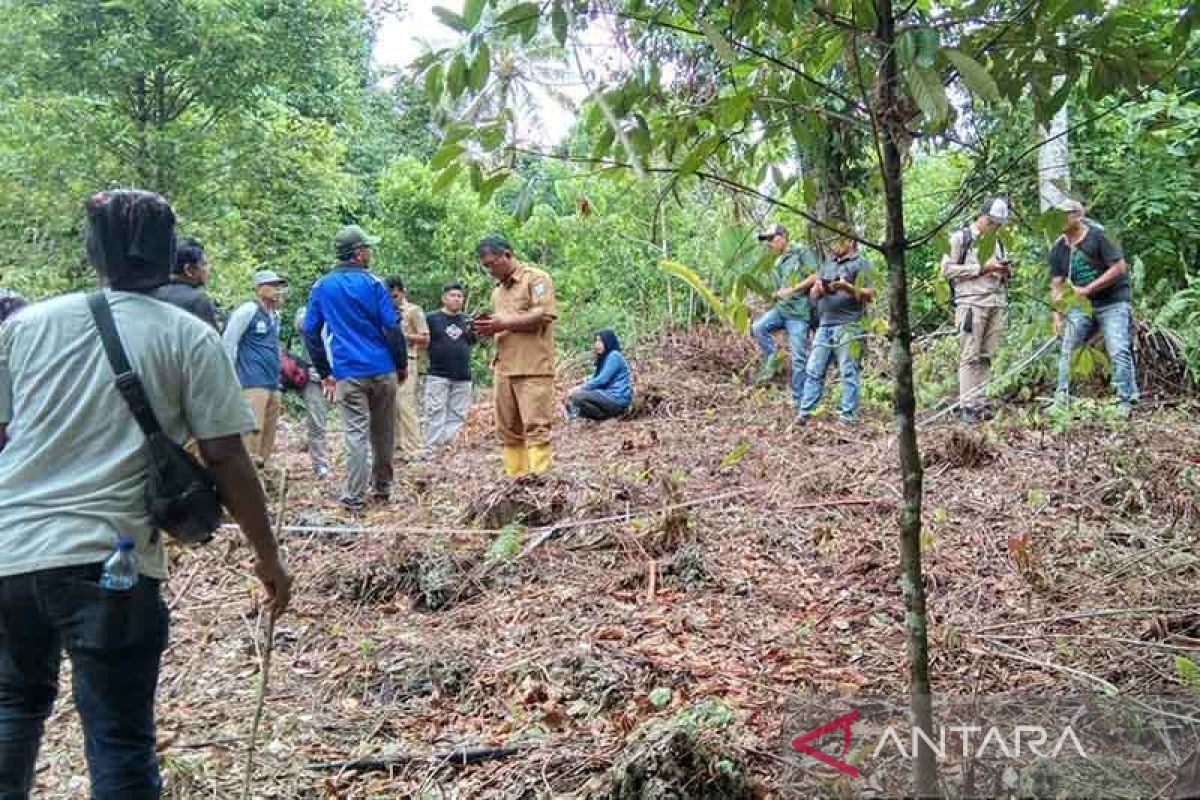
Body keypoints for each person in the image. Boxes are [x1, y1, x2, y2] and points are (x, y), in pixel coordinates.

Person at [0, 189, 290, 799]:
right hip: (114, 566)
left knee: (12, 712)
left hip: (12, 555)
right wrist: (267, 557)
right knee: (120, 740)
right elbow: (227, 455)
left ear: (93, 250)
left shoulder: (25, 328)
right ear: (167, 252)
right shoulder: (188, 336)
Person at [304, 224, 407, 510]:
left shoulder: (322, 286)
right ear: (359, 253)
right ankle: (383, 488)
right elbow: (391, 326)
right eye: (368, 248)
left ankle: (354, 496)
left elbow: (310, 331)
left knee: (355, 433)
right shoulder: (375, 284)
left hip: (348, 371)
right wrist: (401, 365)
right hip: (382, 367)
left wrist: (325, 372)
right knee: (384, 430)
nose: (370, 253)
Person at [472, 234, 557, 477]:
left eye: (492, 263)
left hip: (533, 367)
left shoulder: (537, 279)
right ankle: (516, 480)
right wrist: (488, 328)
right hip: (504, 367)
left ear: (507, 255)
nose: (489, 270)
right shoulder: (497, 292)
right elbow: (503, 326)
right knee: (507, 428)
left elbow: (543, 315)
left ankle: (539, 479)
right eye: (485, 266)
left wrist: (503, 323)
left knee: (536, 426)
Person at [1049, 199, 1139, 411]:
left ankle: (1124, 398)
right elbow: (1056, 284)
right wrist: (1057, 316)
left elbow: (1119, 267)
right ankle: (1062, 398)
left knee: (1118, 348)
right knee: (1068, 347)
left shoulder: (1100, 236)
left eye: (1065, 215)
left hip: (1113, 301)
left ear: (1077, 216)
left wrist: (1088, 289)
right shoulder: (1059, 248)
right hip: (1081, 306)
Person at [940, 198, 1011, 422]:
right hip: (971, 303)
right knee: (969, 355)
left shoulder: (998, 241)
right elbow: (947, 270)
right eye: (991, 221)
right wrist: (981, 268)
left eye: (998, 223)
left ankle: (980, 402)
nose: (994, 226)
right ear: (981, 216)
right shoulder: (961, 238)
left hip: (995, 302)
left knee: (986, 355)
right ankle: (968, 405)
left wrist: (1003, 271)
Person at [796, 231, 874, 424]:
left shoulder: (861, 263)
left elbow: (869, 294)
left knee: (848, 370)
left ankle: (847, 417)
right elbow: (814, 294)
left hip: (849, 324)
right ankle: (805, 413)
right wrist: (817, 290)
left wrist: (847, 287)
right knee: (813, 369)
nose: (834, 245)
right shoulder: (828, 264)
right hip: (825, 324)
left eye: (838, 241)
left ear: (850, 242)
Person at [750, 223, 819, 408]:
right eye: (768, 241)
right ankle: (774, 354)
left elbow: (815, 276)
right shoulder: (778, 261)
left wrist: (792, 289)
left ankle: (799, 400)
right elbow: (781, 289)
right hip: (781, 310)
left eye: (772, 239)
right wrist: (776, 294)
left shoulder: (801, 252)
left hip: (798, 314)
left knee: (799, 358)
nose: (770, 244)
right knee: (758, 327)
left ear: (782, 237)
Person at [222, 270, 287, 468]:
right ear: (259, 289)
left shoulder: (274, 316)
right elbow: (229, 342)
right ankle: (248, 474)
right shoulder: (248, 310)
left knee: (269, 430)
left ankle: (263, 470)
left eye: (279, 286)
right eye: (272, 285)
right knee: (253, 429)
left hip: (272, 381)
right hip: (251, 380)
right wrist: (230, 377)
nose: (277, 290)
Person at [424, 282, 475, 452]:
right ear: (444, 298)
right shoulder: (431, 318)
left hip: (463, 375)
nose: (456, 299)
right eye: (452, 295)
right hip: (438, 374)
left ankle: (449, 447)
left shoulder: (467, 320)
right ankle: (432, 449)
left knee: (458, 413)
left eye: (459, 296)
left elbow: (471, 341)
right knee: (435, 411)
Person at [385, 277, 430, 461]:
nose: (393, 299)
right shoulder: (384, 310)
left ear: (402, 292)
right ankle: (397, 447)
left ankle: (415, 447)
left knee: (405, 404)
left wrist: (403, 336)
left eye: (395, 295)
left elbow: (425, 338)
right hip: (387, 362)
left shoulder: (413, 311)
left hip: (408, 360)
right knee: (390, 406)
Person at [293, 307, 330, 479]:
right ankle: (320, 463)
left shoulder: (343, 311)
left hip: (345, 371)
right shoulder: (306, 312)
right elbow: (302, 325)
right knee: (317, 422)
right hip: (315, 373)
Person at [152, 237, 219, 329]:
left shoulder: (153, 293)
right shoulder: (197, 300)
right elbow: (213, 340)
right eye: (204, 264)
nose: (208, 269)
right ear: (189, 270)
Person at [566, 329, 632, 421]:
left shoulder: (614, 356)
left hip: (617, 398)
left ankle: (603, 418)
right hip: (608, 397)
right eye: (596, 341)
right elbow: (596, 376)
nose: (597, 344)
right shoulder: (605, 357)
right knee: (572, 399)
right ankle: (598, 419)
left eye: (600, 341)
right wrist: (582, 381)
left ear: (608, 341)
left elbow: (602, 380)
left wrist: (580, 388)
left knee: (577, 396)